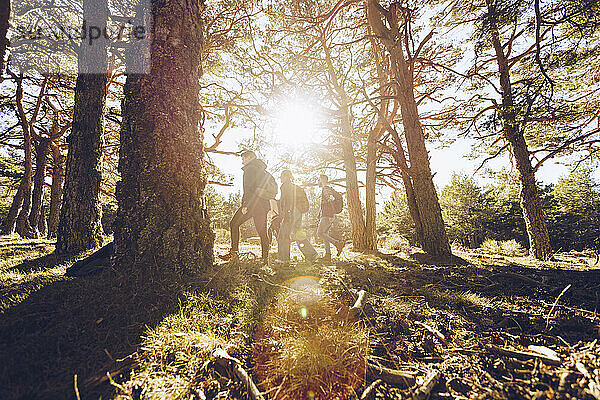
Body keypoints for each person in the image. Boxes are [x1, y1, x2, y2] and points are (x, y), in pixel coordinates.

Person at [223, 150, 273, 263]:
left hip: (252, 205)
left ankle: (234, 253)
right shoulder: (263, 171)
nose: (242, 162)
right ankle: (265, 258)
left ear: (250, 157)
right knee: (262, 232)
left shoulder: (250, 169)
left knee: (234, 223)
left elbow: (249, 188)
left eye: (243, 159)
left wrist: (245, 205)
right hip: (263, 205)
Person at [277, 170, 317, 263]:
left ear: (286, 176)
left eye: (281, 176)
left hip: (291, 211)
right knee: (298, 234)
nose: (280, 178)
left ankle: (283, 259)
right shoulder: (295, 187)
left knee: (283, 235)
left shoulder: (285, 186)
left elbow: (288, 200)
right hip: (298, 211)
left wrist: (287, 213)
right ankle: (312, 255)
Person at [317, 174, 344, 261]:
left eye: (318, 180)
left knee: (320, 233)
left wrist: (331, 215)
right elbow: (325, 203)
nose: (318, 182)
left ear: (322, 179)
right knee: (325, 235)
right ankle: (328, 255)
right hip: (326, 214)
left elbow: (330, 201)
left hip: (327, 215)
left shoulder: (326, 189)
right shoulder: (326, 189)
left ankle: (337, 244)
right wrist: (319, 215)